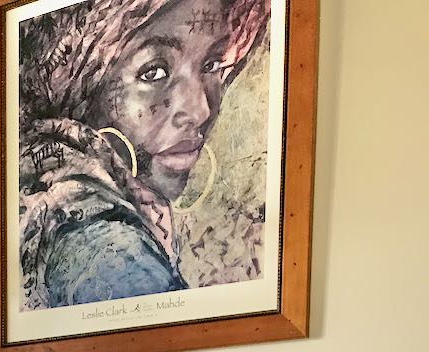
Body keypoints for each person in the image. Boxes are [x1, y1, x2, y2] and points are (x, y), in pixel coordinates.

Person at [19, 0, 270, 309]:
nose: (200, 110)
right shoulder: (85, 225)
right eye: (153, 72)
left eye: (212, 65)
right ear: (79, 83)